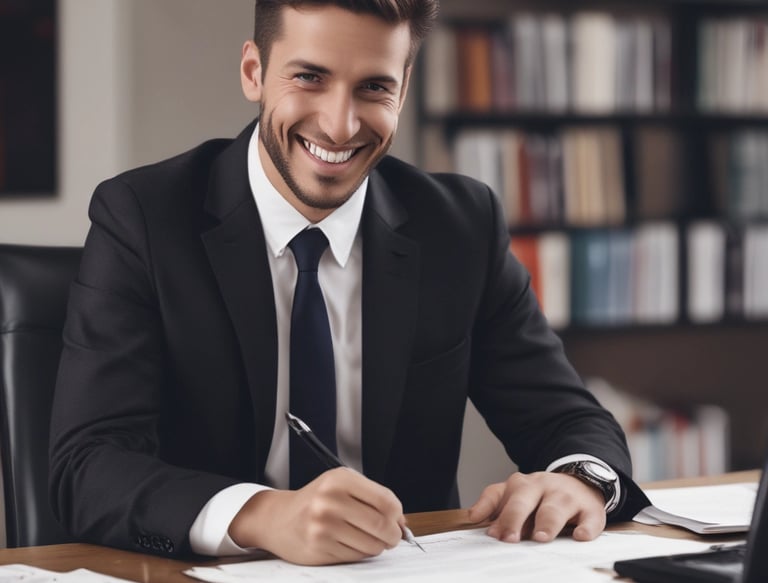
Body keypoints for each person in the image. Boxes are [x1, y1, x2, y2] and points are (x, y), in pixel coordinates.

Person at [49, 0, 649, 567]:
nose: (340, 125)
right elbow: (88, 467)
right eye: (309, 77)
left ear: (404, 87)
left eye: (374, 87)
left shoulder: (460, 226)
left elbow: (566, 418)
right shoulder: (144, 218)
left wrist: (581, 481)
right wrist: (263, 515)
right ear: (254, 72)